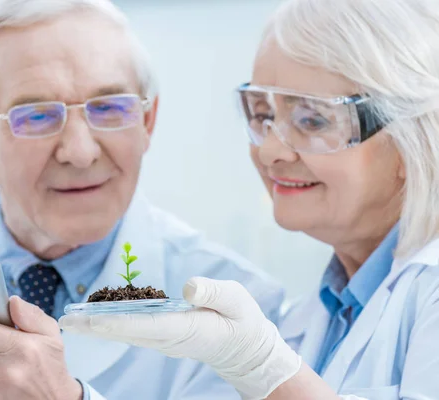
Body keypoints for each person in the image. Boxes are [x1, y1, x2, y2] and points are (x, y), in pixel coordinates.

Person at [0, 0, 284, 399]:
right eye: (35, 115)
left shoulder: (242, 319)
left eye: (110, 108)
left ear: (148, 121)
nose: (80, 151)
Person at [59, 0, 439, 399]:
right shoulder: (313, 316)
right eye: (261, 113)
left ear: (415, 138)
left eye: (312, 119)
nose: (270, 150)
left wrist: (262, 368)